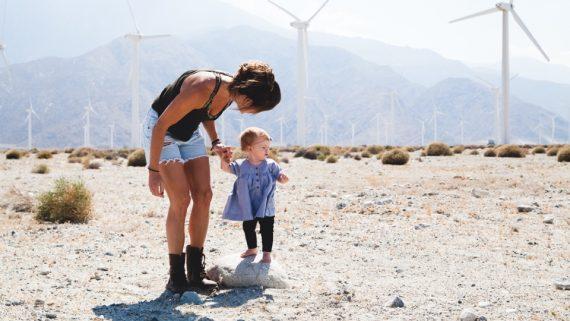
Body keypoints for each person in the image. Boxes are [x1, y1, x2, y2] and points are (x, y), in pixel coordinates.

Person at [142, 61, 281, 293]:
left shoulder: (230, 93)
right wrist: (153, 171)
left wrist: (216, 142)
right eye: (258, 107)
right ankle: (176, 277)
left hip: (189, 134)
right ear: (248, 97)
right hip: (161, 131)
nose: (254, 112)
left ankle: (195, 273)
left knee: (204, 195)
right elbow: (161, 125)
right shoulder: (203, 86)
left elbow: (206, 113)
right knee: (181, 199)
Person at [220, 127, 289, 264]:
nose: (267, 151)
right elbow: (226, 168)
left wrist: (283, 178)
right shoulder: (241, 165)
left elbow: (279, 176)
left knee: (267, 228)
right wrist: (224, 159)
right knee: (248, 227)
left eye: (268, 147)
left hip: (266, 205)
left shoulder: (270, 165)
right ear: (249, 148)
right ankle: (252, 248)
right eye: (263, 147)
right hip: (248, 204)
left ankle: (267, 253)